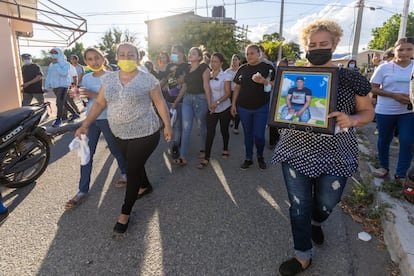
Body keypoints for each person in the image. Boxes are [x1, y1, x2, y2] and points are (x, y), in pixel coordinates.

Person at [271, 19, 374, 276]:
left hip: (336, 154)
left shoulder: (351, 78)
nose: (317, 48)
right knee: (298, 205)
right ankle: (302, 255)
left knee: (326, 203)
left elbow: (367, 111)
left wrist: (352, 119)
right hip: (295, 152)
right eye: (312, 44)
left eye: (323, 44)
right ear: (306, 46)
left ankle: (318, 221)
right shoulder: (292, 76)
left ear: (334, 44)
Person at [75, 42, 173, 234]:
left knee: (131, 168)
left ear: (138, 57)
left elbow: (160, 102)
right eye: (122, 54)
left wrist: (167, 125)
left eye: (131, 54)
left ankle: (125, 213)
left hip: (145, 132)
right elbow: (100, 103)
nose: (126, 58)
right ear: (116, 57)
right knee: (132, 162)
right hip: (118, 132)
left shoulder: (148, 79)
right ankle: (145, 186)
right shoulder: (109, 80)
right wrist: (85, 124)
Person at [65, 47, 127, 209]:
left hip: (108, 119)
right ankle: (82, 190)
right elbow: (84, 97)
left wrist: (92, 94)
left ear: (103, 58)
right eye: (90, 59)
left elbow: (114, 99)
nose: (94, 61)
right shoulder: (86, 78)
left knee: (115, 149)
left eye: (97, 57)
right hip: (91, 120)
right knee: (86, 154)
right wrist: (76, 94)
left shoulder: (112, 76)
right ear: (86, 62)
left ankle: (125, 173)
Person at [370, 37, 414, 182]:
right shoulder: (384, 68)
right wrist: (393, 95)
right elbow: (372, 88)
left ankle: (401, 174)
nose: (404, 53)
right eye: (400, 49)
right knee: (384, 139)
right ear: (394, 50)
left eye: (409, 49)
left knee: (407, 140)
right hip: (386, 110)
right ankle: (384, 166)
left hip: (408, 111)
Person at [230, 44, 275, 171]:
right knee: (248, 134)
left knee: (259, 135)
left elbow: (275, 84)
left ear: (259, 53)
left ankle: (260, 156)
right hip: (244, 108)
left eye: (252, 53)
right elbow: (237, 88)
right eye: (247, 53)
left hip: (261, 107)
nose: (249, 56)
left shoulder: (268, 68)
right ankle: (248, 158)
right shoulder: (242, 69)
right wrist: (233, 105)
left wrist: (264, 82)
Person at [172, 47, 212, 165]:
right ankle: (182, 156)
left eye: (193, 53)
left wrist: (210, 103)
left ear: (199, 57)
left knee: (201, 126)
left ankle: (203, 148)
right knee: (186, 128)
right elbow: (185, 86)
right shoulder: (187, 68)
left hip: (200, 99)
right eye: (189, 53)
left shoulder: (204, 68)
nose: (190, 54)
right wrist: (176, 101)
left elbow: (206, 86)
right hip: (187, 100)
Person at [198, 52, 232, 169]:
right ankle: (206, 157)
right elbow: (207, 90)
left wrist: (216, 103)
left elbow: (228, 93)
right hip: (212, 108)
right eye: (211, 61)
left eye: (216, 61)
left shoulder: (226, 76)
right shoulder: (209, 74)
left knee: (224, 130)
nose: (213, 63)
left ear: (221, 63)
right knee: (210, 132)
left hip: (224, 108)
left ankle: (225, 148)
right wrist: (210, 105)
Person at [160, 45, 188, 160]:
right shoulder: (170, 66)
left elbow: (185, 86)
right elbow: (165, 80)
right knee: (174, 124)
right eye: (172, 52)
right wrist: (154, 91)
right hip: (169, 101)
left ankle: (175, 146)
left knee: (178, 125)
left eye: (175, 52)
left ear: (181, 54)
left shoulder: (187, 67)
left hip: (181, 101)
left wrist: (176, 102)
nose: (172, 55)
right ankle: (177, 141)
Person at [44, 47, 79, 127]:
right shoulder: (51, 64)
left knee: (58, 102)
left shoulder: (66, 64)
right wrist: (46, 86)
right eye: (52, 53)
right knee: (63, 102)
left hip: (63, 85)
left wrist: (56, 65)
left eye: (55, 53)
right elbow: (49, 75)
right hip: (55, 86)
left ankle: (58, 119)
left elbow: (64, 73)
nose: (53, 55)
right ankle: (74, 114)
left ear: (60, 53)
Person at [268, 58, 289, 149]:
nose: (280, 68)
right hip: (273, 103)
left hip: (285, 105)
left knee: (282, 125)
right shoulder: (273, 76)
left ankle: (281, 142)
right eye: (278, 66)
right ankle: (272, 143)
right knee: (272, 124)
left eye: (282, 66)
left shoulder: (290, 77)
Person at [225, 54, 242, 134]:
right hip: (230, 92)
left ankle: (236, 127)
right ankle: (232, 119)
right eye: (233, 59)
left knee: (237, 109)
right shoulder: (228, 71)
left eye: (236, 59)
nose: (234, 61)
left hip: (239, 93)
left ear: (239, 61)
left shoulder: (241, 70)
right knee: (230, 108)